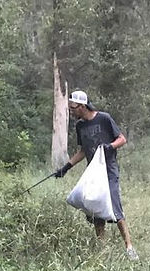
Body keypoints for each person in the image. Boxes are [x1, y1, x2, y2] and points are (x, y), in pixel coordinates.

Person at [53, 90, 138, 260]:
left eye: (73, 108)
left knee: (115, 207)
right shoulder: (80, 126)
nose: (71, 111)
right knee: (95, 209)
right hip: (93, 172)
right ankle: (102, 249)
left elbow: (122, 139)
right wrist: (66, 167)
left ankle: (129, 248)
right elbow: (83, 151)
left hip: (109, 170)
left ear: (82, 106)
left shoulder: (104, 119)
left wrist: (110, 146)